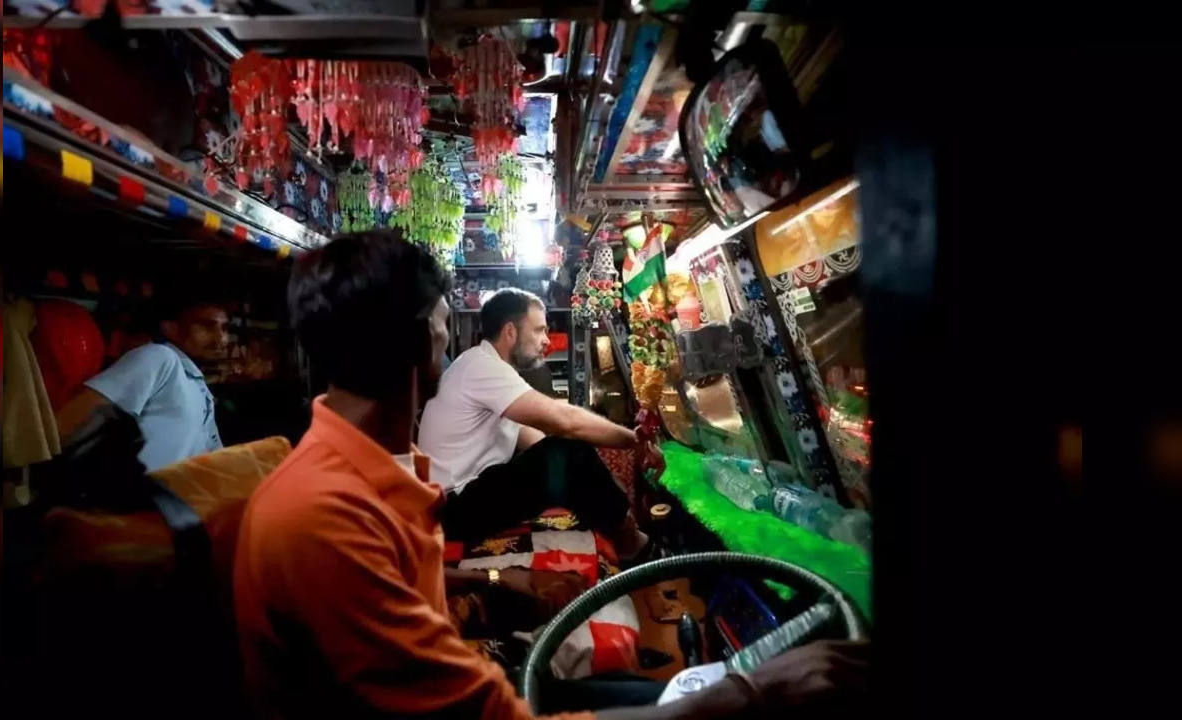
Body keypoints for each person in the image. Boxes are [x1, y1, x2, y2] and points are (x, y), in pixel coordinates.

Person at [232, 230, 866, 719]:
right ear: (425, 334)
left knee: (646, 688)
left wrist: (509, 589)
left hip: (465, 659)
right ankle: (651, 553)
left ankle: (651, 557)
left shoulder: (351, 468)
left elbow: (404, 571)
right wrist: (753, 690)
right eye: (442, 316)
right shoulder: (324, 516)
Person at [418, 288, 658, 562]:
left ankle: (625, 537)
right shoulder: (480, 367)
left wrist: (598, 476)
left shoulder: (488, 371)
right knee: (569, 451)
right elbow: (563, 422)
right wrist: (634, 440)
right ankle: (637, 548)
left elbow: (535, 441)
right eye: (539, 330)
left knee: (569, 454)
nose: (546, 340)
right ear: (510, 332)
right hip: (452, 509)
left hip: (463, 500)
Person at [55, 296, 228, 471]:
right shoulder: (160, 358)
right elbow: (73, 418)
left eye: (224, 328)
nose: (221, 339)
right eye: (205, 327)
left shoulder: (197, 384)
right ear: (171, 329)